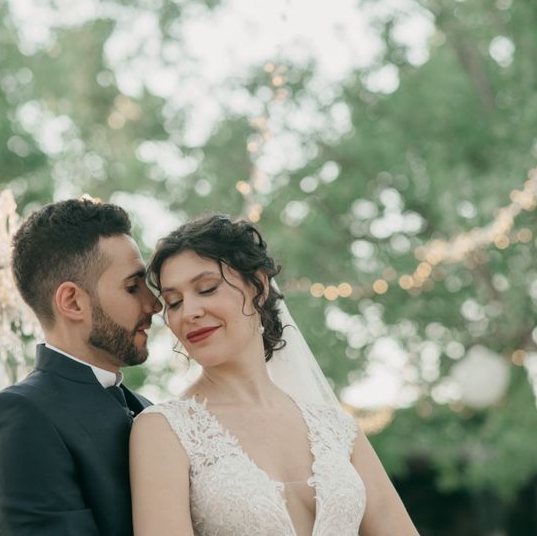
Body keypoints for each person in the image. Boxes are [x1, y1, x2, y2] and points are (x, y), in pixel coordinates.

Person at [130, 214, 418, 536]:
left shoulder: (337, 429)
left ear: (259, 285)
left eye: (207, 289)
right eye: (174, 302)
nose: (189, 312)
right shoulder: (164, 429)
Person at [0, 198, 161, 535]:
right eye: (133, 287)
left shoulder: (147, 408)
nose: (154, 304)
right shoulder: (19, 415)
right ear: (73, 302)